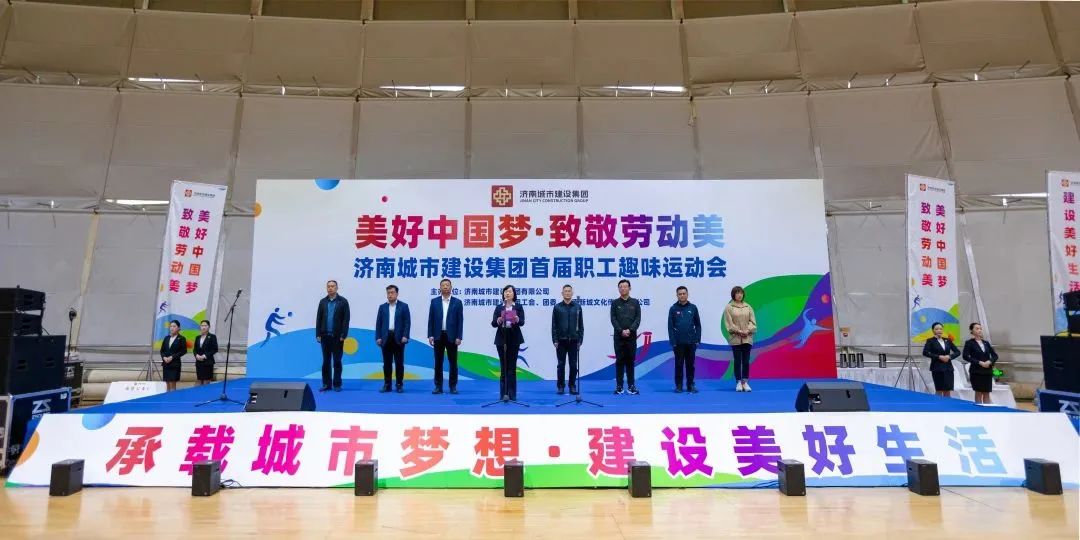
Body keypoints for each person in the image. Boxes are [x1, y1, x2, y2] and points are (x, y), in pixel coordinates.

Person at [427, 278, 464, 394]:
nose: (445, 287)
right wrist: (430, 335)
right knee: (438, 362)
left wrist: (459, 336)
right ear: (440, 288)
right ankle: (438, 386)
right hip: (438, 335)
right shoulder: (434, 302)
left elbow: (460, 321)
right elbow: (431, 319)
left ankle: (453, 386)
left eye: (447, 285)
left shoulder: (457, 302)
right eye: (443, 285)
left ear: (451, 288)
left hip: (452, 336)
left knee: (453, 362)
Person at [315, 280, 350, 392]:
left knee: (337, 361)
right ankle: (326, 384)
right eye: (328, 286)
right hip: (325, 336)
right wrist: (318, 334)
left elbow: (346, 319)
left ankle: (337, 384)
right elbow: (319, 319)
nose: (330, 288)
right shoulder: (322, 302)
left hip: (337, 337)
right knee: (326, 361)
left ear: (337, 288)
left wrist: (344, 334)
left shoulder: (343, 302)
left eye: (332, 286)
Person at [491, 285, 525, 401]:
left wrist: (517, 319)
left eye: (510, 291)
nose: (507, 293)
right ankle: (503, 394)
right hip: (502, 339)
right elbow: (493, 323)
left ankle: (512, 394)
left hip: (514, 338)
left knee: (512, 367)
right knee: (503, 367)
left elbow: (522, 322)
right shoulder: (499, 307)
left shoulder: (518, 307)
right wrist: (498, 320)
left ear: (514, 294)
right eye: (505, 291)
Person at [375, 284, 411, 393]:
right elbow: (379, 323)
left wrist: (405, 336)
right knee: (387, 363)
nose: (390, 295)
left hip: (399, 338)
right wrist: (378, 337)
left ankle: (399, 384)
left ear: (397, 294)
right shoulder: (382, 307)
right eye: (388, 293)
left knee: (399, 363)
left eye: (392, 292)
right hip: (386, 338)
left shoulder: (404, 306)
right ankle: (387, 385)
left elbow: (407, 323)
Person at [668, 286, 702, 394]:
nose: (682, 295)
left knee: (690, 365)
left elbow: (698, 325)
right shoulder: (673, 308)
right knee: (678, 365)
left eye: (684, 293)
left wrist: (697, 339)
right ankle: (678, 385)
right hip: (678, 342)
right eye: (680, 294)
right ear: (677, 295)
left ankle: (690, 385)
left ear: (687, 294)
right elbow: (670, 327)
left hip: (691, 342)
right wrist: (673, 341)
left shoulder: (693, 308)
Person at [610, 279, 641, 395]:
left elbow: (638, 318)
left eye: (625, 286)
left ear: (629, 288)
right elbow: (613, 319)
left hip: (631, 337)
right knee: (619, 361)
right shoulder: (615, 303)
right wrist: (621, 330)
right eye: (621, 287)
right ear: (618, 289)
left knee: (630, 361)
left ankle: (631, 386)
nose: (623, 288)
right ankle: (619, 386)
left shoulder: (635, 302)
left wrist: (630, 330)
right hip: (619, 337)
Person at [551, 284, 584, 395]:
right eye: (565, 291)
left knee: (573, 365)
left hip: (574, 340)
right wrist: (555, 339)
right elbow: (554, 325)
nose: (567, 293)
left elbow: (581, 325)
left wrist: (580, 339)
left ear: (572, 293)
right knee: (561, 365)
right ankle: (560, 386)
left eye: (569, 291)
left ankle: (572, 385)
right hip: (561, 340)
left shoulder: (577, 307)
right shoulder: (557, 307)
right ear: (562, 293)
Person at [725, 286, 757, 392]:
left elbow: (753, 322)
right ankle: (738, 382)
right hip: (735, 338)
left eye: (741, 293)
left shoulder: (748, 307)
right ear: (733, 295)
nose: (739, 295)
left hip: (747, 338)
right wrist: (739, 331)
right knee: (737, 360)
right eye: (737, 293)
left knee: (746, 361)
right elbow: (729, 324)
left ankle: (745, 382)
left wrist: (747, 330)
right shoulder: (729, 307)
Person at [922, 321, 961, 398]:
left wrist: (949, 357)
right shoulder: (930, 341)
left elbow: (958, 352)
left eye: (940, 329)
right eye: (936, 329)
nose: (939, 330)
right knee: (939, 390)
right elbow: (925, 352)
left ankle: (948, 405)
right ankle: (938, 405)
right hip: (937, 368)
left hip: (948, 368)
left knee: (948, 390)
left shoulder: (948, 340)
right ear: (933, 331)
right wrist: (939, 357)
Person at [962, 322, 998, 404]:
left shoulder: (986, 343)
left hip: (987, 371)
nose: (979, 330)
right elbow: (965, 356)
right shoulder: (969, 343)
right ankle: (978, 410)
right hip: (976, 371)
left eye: (980, 328)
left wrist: (990, 361)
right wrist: (979, 362)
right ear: (972, 331)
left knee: (986, 393)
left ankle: (987, 410)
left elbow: (995, 355)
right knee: (978, 393)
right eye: (977, 328)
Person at [160, 320, 186, 392]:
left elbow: (183, 351)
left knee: (172, 383)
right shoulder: (166, 338)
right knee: (167, 383)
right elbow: (162, 350)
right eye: (171, 326)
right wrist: (164, 357)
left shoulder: (181, 338)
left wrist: (172, 357)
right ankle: (167, 397)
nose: (172, 328)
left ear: (178, 328)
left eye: (174, 326)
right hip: (166, 363)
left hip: (175, 364)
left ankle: (172, 397)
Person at [192, 319, 218, 386]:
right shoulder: (197, 337)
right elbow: (194, 349)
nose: (203, 327)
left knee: (206, 382)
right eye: (202, 325)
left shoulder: (212, 337)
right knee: (199, 381)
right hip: (199, 363)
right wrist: (196, 355)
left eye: (205, 325)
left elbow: (215, 349)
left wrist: (204, 356)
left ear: (209, 327)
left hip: (208, 362)